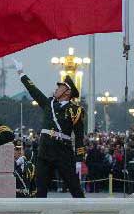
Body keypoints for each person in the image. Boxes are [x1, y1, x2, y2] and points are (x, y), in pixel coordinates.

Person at [13, 59, 88, 203]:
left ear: (67, 92)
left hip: (63, 152)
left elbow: (79, 137)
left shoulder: (75, 110)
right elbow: (34, 91)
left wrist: (79, 160)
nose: (57, 88)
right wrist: (22, 73)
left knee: (76, 190)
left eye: (60, 87)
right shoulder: (49, 104)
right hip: (45, 151)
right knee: (39, 192)